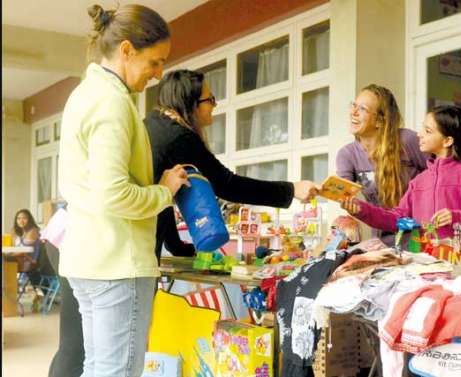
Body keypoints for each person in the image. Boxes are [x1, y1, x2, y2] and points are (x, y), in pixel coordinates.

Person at [57, 4, 188, 377]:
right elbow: (114, 193)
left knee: (99, 368)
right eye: (155, 62)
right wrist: (164, 190)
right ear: (127, 50)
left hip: (87, 259)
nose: (159, 73)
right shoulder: (112, 103)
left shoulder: (83, 94)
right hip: (117, 263)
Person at [144, 69, 320, 259]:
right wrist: (292, 190)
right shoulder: (179, 137)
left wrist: (176, 246)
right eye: (209, 99)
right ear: (191, 104)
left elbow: (162, 193)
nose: (214, 105)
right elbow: (228, 185)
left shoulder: (154, 125)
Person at [340, 105, 461, 240]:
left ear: (447, 141)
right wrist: (361, 209)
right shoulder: (419, 181)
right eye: (422, 128)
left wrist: (457, 218)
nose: (419, 134)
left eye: (427, 131)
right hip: (425, 262)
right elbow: (397, 220)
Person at [336, 85, 428, 243]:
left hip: (419, 238)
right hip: (382, 241)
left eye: (363, 109)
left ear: (379, 120)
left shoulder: (407, 140)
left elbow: (440, 174)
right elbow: (343, 194)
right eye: (354, 105)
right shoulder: (347, 155)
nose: (354, 112)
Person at [11, 209, 42, 284]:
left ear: (29, 219)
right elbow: (14, 246)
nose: (21, 221)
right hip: (22, 261)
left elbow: (24, 251)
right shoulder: (21, 231)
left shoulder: (33, 231)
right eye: (18, 218)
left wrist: (10, 254)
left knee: (6, 261)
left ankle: (9, 289)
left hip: (30, 263)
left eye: (24, 218)